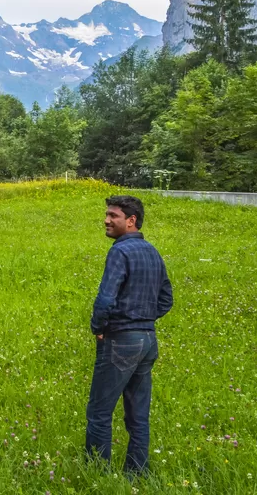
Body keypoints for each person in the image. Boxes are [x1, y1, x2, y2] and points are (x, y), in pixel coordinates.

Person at [86, 195, 174, 475]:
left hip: (121, 340)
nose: (106, 220)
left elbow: (105, 299)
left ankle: (97, 475)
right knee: (138, 415)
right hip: (148, 341)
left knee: (99, 413)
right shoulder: (152, 251)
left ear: (131, 221)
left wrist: (99, 328)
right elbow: (166, 299)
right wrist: (143, 319)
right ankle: (137, 472)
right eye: (107, 214)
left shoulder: (119, 252)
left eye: (113, 215)